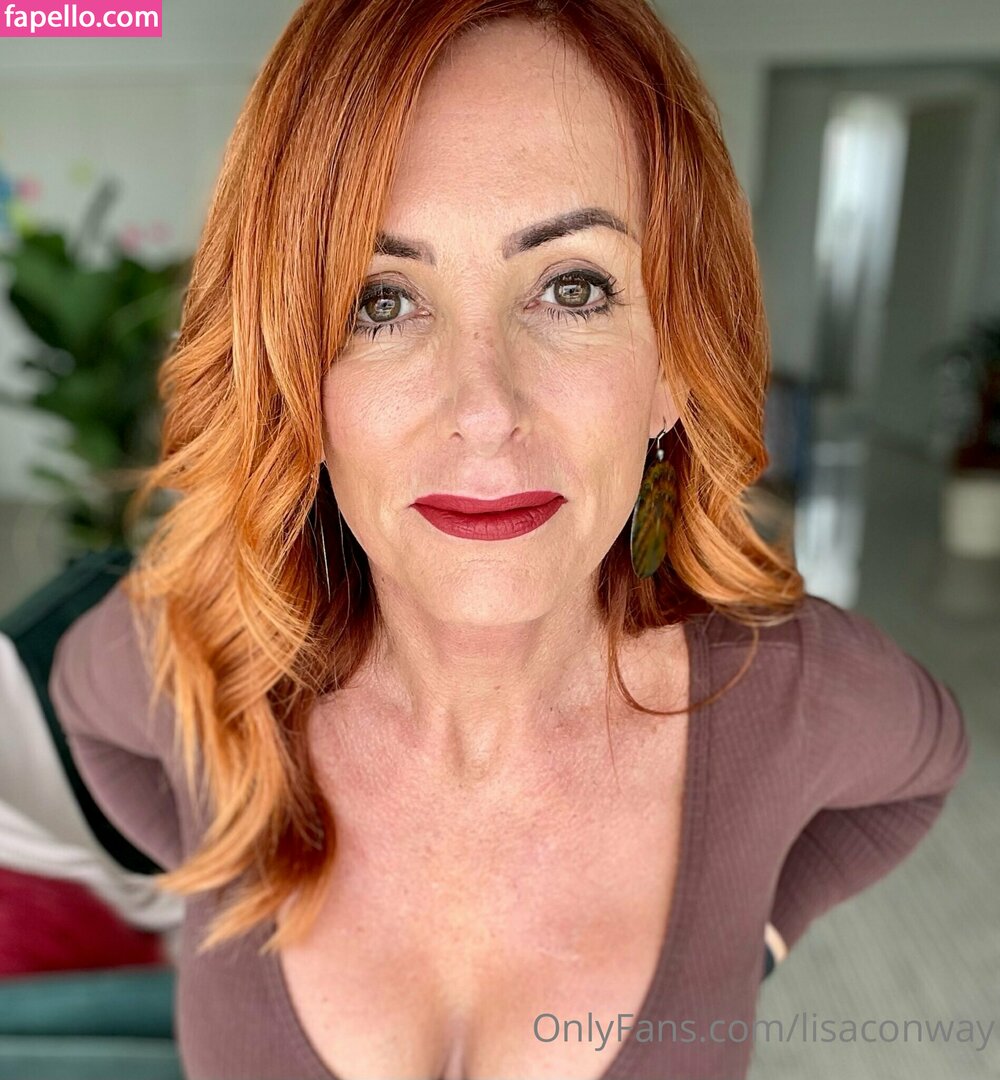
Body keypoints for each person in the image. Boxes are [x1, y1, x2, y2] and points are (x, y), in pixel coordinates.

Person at [48, 1, 971, 1077]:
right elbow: (84, 709)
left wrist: (749, 933)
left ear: (674, 363)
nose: (484, 410)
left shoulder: (788, 693)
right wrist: (214, 862)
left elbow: (921, 769)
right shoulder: (205, 663)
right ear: (292, 376)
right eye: (379, 300)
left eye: (572, 287)